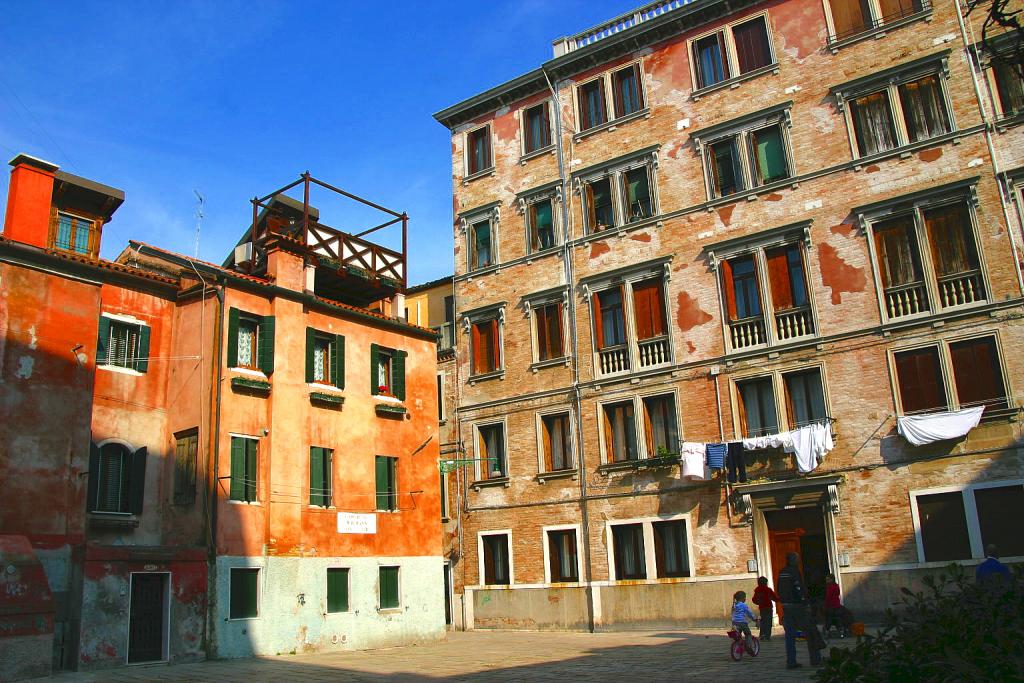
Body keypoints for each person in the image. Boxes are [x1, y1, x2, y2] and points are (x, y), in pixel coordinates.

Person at [777, 552, 822, 670]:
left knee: (790, 635)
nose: (798, 561)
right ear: (793, 560)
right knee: (810, 631)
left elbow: (779, 589)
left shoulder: (782, 572)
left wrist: (783, 602)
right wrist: (805, 603)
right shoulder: (794, 571)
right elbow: (798, 588)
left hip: (786, 607)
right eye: (797, 559)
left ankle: (791, 661)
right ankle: (815, 659)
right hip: (797, 606)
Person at [752, 576, 780, 640]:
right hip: (768, 607)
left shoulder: (757, 590)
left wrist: (758, 602)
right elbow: (774, 598)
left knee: (763, 621)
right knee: (768, 621)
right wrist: (779, 599)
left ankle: (762, 635)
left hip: (762, 608)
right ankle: (767, 636)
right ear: (765, 583)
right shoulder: (768, 590)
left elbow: (754, 599)